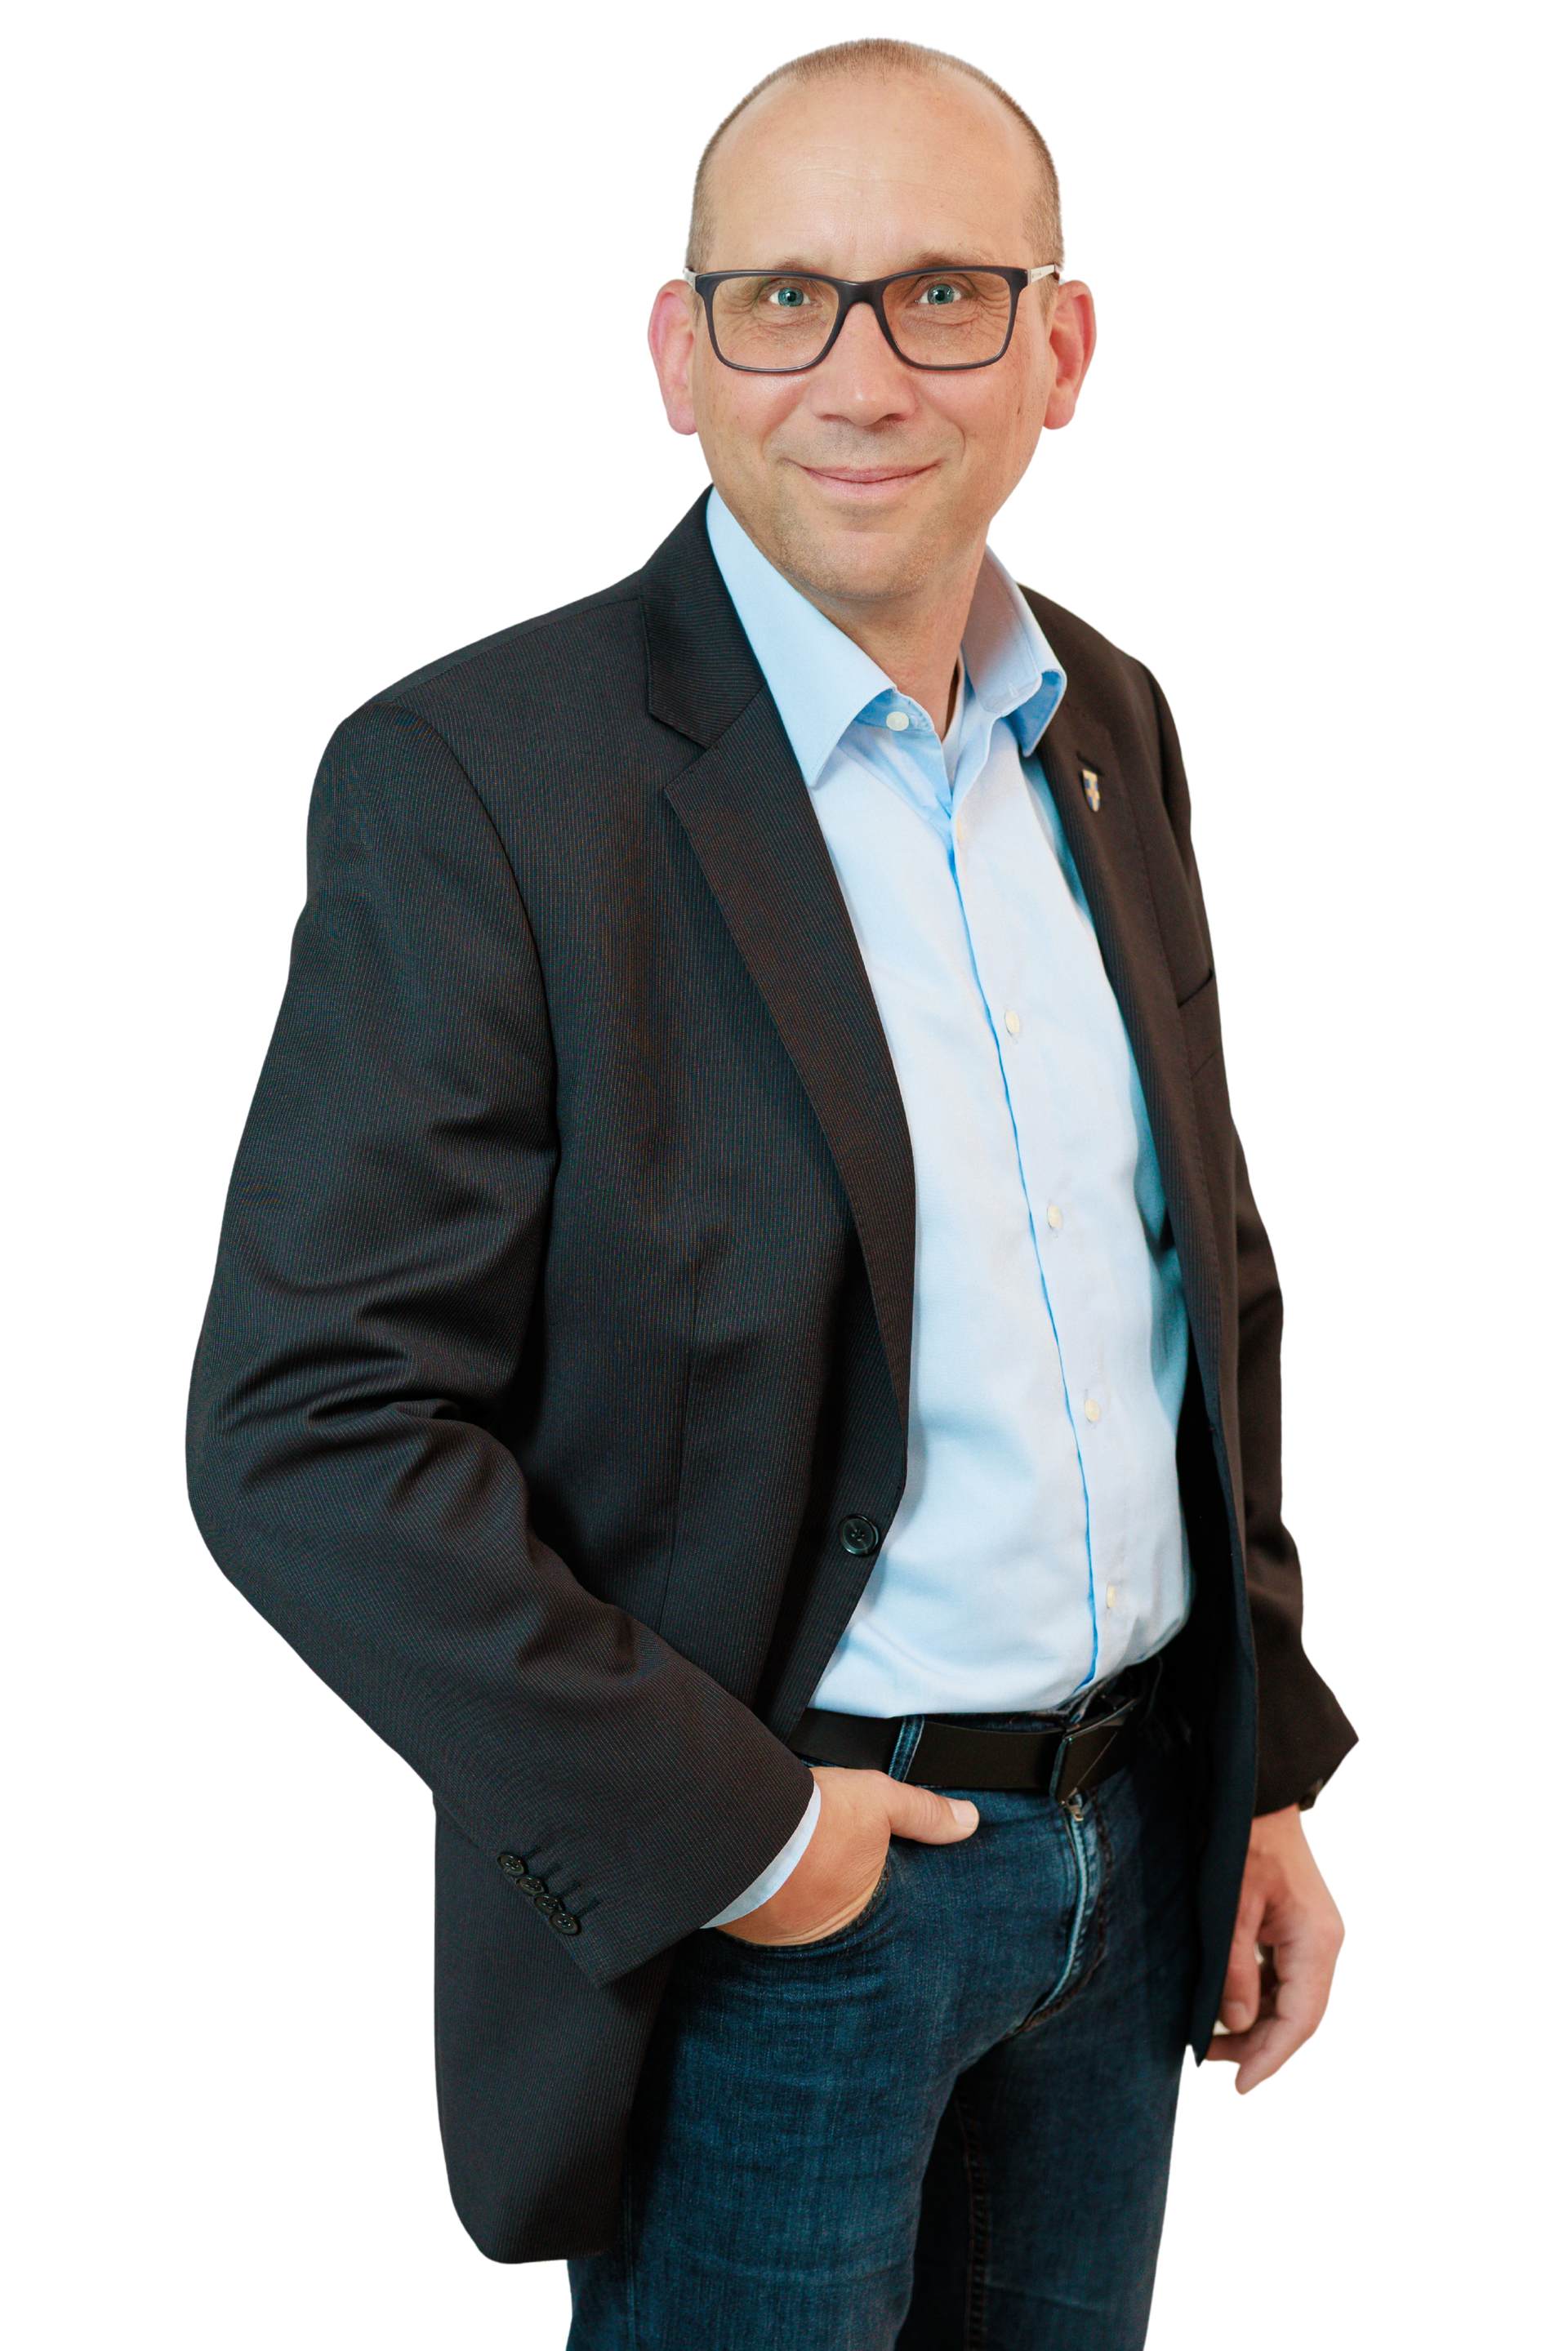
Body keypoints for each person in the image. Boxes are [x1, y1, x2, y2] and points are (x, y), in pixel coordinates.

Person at [184, 33, 1358, 2349]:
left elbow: (1201, 1274)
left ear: (1063, 350)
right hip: (777, 1911)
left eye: (941, 295)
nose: (860, 373)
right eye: (782, 298)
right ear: (675, 352)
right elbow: (306, 1431)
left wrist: (1265, 1768)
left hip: (1136, 1868)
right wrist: (751, 1841)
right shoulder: (481, 773)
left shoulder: (1112, 718)